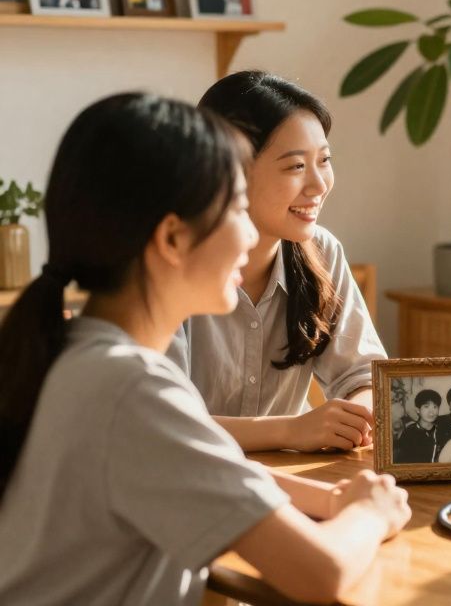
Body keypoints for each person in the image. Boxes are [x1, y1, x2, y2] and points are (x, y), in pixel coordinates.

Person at [0, 93, 410, 604]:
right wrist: (371, 514)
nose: (248, 235)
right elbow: (320, 573)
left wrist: (335, 498)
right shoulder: (132, 390)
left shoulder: (84, 358)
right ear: (172, 238)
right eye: (237, 208)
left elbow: (209, 467)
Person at [168, 71, 385, 452]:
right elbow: (162, 423)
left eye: (325, 160)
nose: (319, 185)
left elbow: (363, 375)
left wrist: (356, 418)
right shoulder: (170, 265)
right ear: (230, 170)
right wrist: (290, 431)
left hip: (292, 479)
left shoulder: (321, 252)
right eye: (296, 166)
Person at [392, 389, 445, 464]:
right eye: (426, 407)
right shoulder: (410, 433)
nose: (431, 412)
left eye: (435, 407)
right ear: (418, 410)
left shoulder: (441, 430)